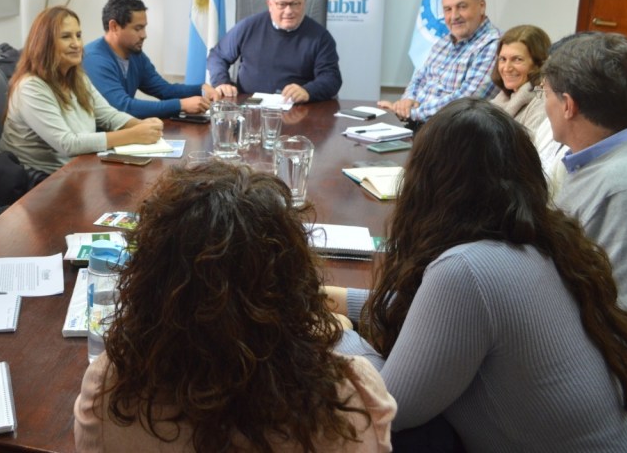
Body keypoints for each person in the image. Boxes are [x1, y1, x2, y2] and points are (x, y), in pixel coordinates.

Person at [324, 99, 627, 451]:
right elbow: (446, 320)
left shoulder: (465, 270)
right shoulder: (541, 242)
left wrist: (334, 330)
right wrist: (342, 300)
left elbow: (388, 409)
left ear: (425, 186)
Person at [74, 162, 396, 452]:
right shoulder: (352, 395)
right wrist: (340, 330)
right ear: (293, 279)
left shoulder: (108, 386)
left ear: (146, 280)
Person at [542, 32, 627, 367]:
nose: (545, 106)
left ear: (568, 105)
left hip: (603, 371)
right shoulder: (595, 159)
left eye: (546, 94)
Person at [0, 7, 164, 176]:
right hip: (38, 182)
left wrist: (142, 125)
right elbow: (67, 144)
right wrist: (133, 135)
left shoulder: (77, 76)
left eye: (78, 35)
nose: (76, 44)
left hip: (77, 168)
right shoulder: (30, 87)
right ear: (44, 43)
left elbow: (108, 115)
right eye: (66, 37)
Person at [378, 0, 499, 125]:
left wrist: (411, 113)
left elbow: (467, 102)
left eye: (461, 7)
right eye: (448, 9)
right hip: (418, 125)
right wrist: (406, 101)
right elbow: (419, 78)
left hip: (453, 135)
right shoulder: (444, 42)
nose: (454, 16)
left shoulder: (494, 45)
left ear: (481, 6)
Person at [206, 0, 342, 103]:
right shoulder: (248, 27)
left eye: (295, 4)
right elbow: (217, 56)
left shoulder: (320, 37)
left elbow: (331, 78)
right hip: (250, 106)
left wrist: (308, 91)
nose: (289, 11)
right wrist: (221, 82)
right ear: (270, 4)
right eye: (282, 4)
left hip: (296, 109)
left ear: (304, 4)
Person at [83, 0, 218, 117]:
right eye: (138, 28)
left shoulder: (136, 55)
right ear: (114, 27)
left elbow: (165, 90)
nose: (144, 35)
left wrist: (200, 89)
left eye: (144, 27)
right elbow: (122, 107)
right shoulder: (94, 58)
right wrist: (181, 105)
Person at [487, 25, 566, 185]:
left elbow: (525, 157)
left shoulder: (541, 99)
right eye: (503, 59)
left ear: (538, 64)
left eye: (517, 59)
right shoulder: (503, 97)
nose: (506, 68)